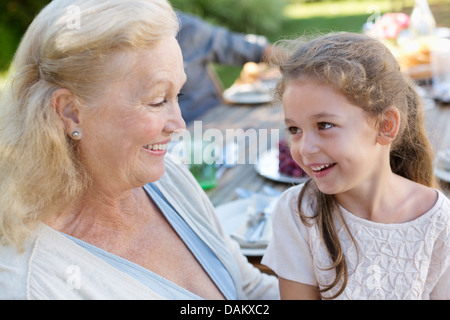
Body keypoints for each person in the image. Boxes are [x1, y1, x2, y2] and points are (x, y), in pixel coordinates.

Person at [0, 0, 278, 300]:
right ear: (71, 112)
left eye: (178, 94)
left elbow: (249, 290)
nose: (179, 124)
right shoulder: (35, 286)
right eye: (158, 100)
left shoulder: (169, 178)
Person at [261, 32, 450, 300]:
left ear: (386, 126)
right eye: (294, 129)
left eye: (324, 125)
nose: (304, 148)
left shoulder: (437, 220)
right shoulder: (300, 214)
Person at [176, 12, 273, 123]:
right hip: (183, 133)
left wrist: (293, 61)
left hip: (220, 118)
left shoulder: (186, 27)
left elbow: (249, 48)